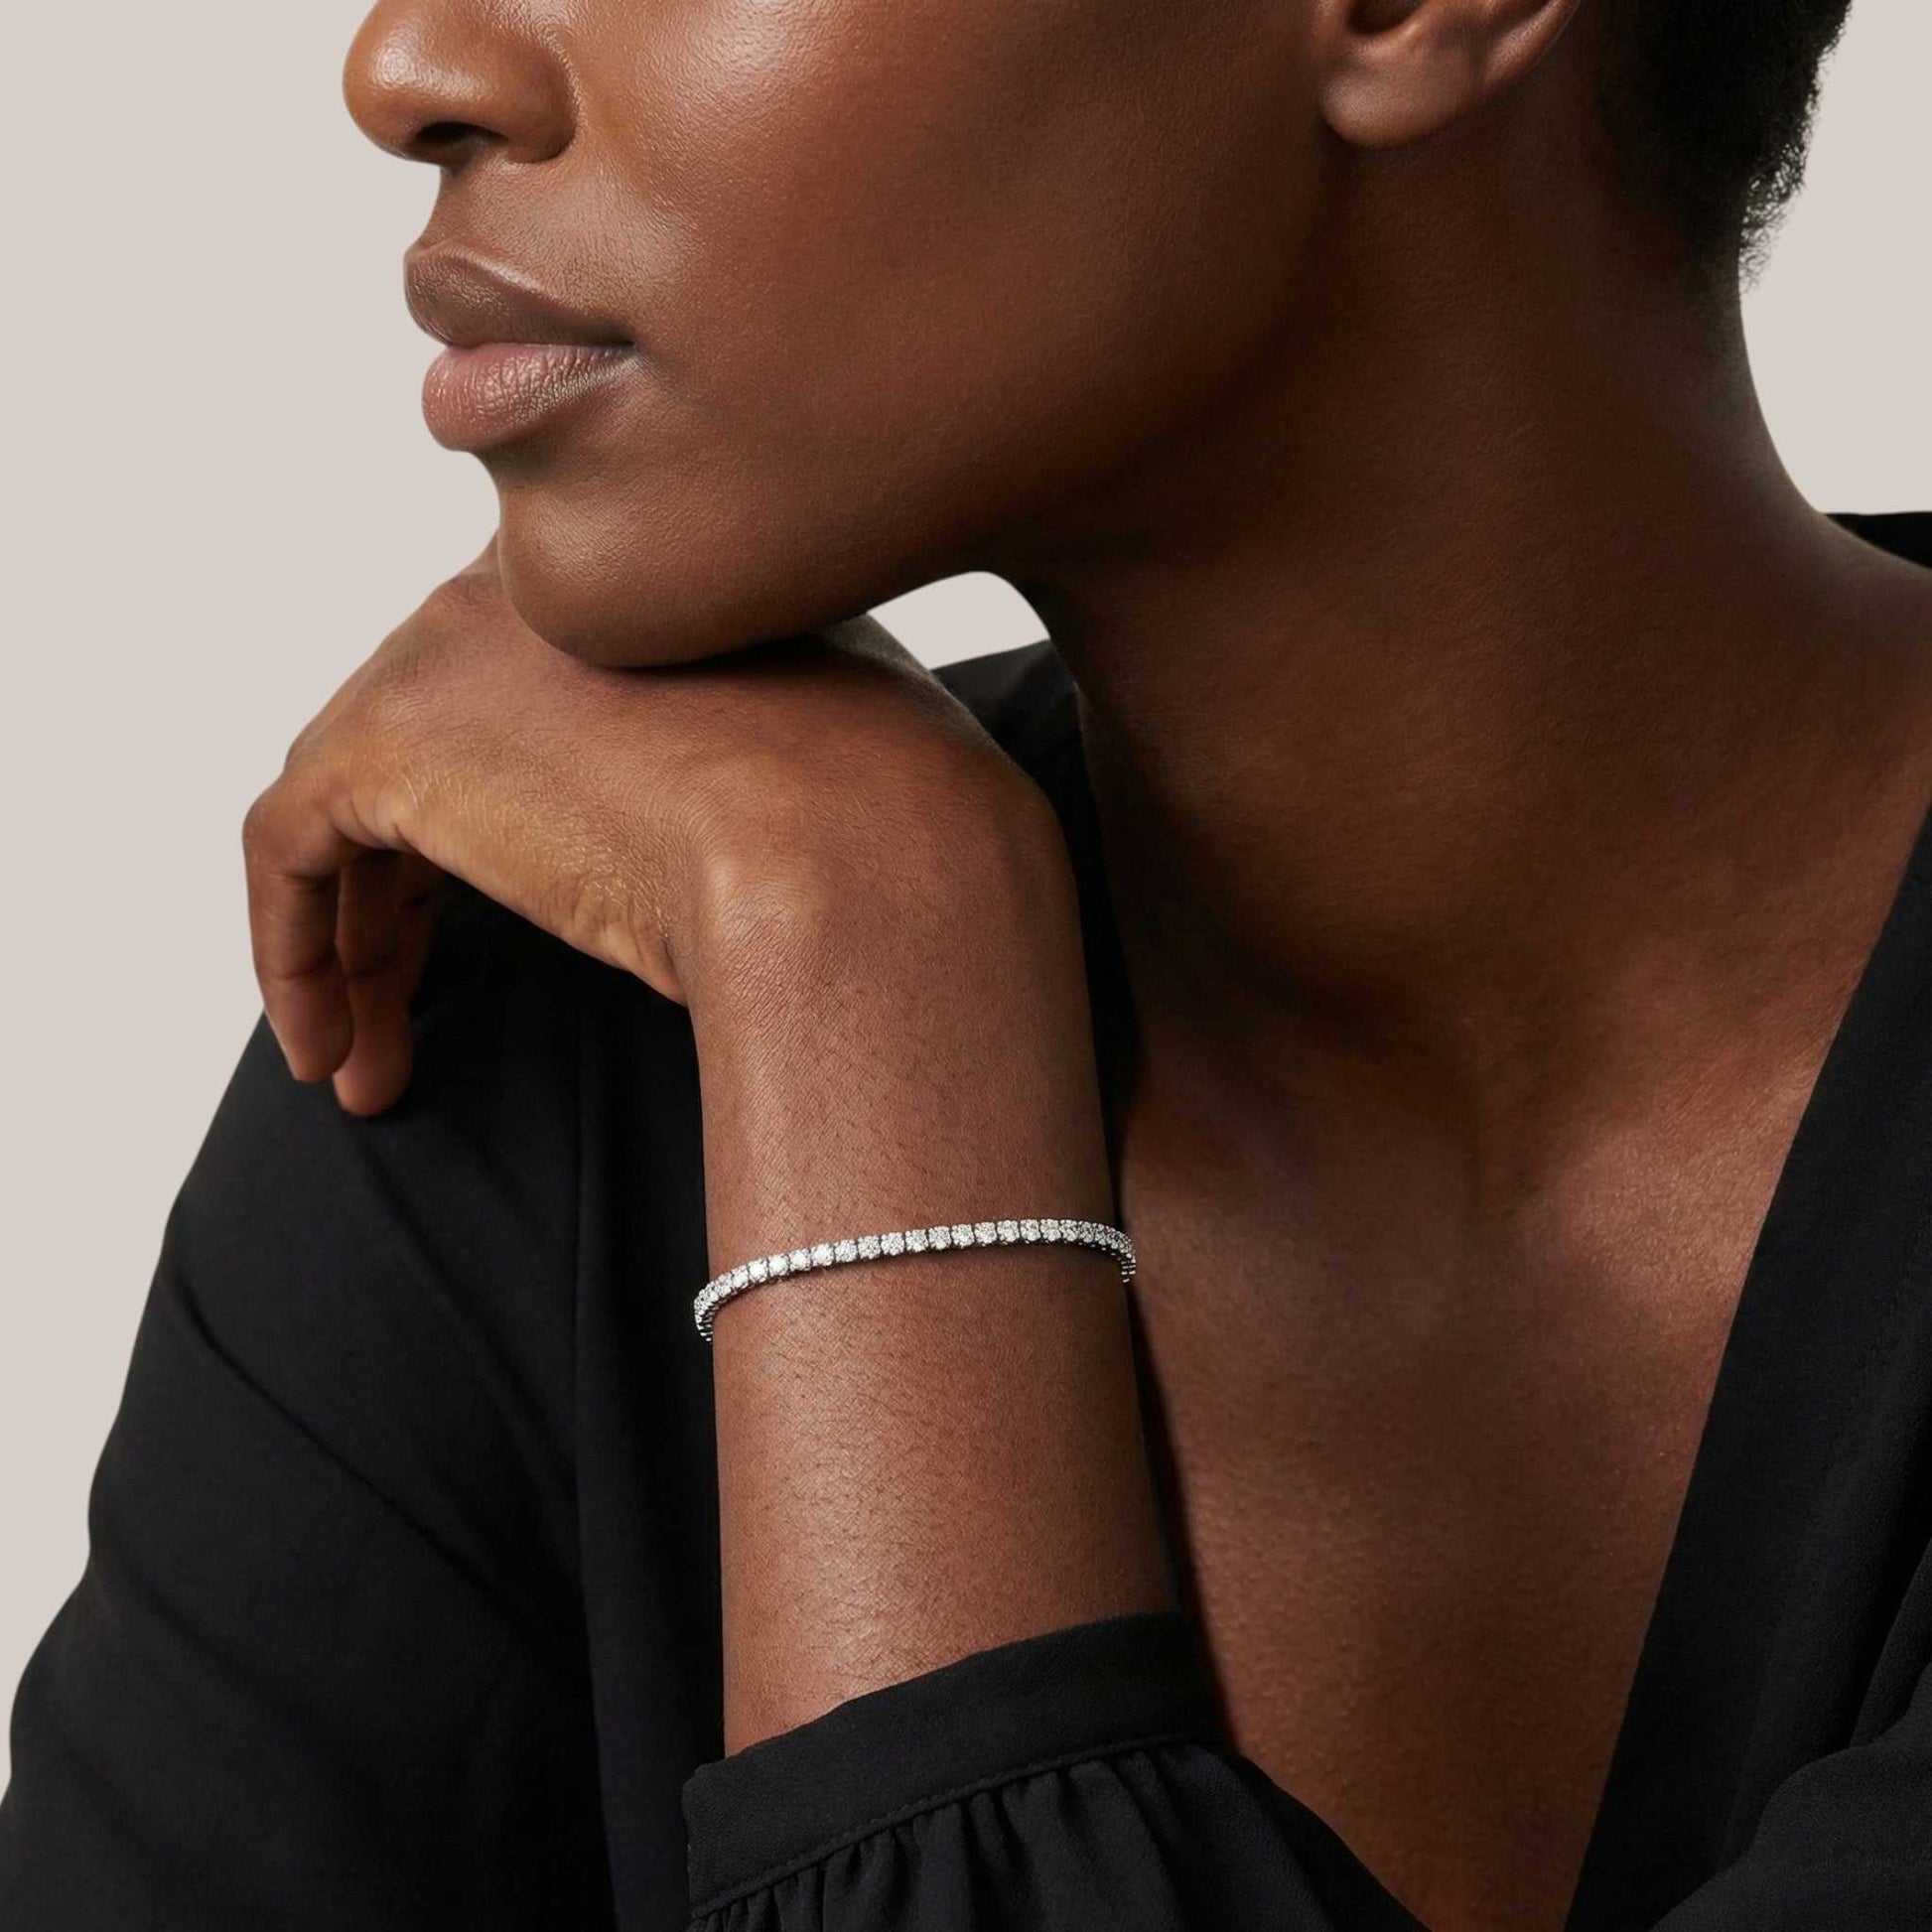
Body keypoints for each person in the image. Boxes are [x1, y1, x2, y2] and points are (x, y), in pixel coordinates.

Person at [3, 0, 1929, 1926]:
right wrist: (838, 922)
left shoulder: (762, 965)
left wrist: (867, 1032)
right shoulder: (551, 1032)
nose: (410, 64)